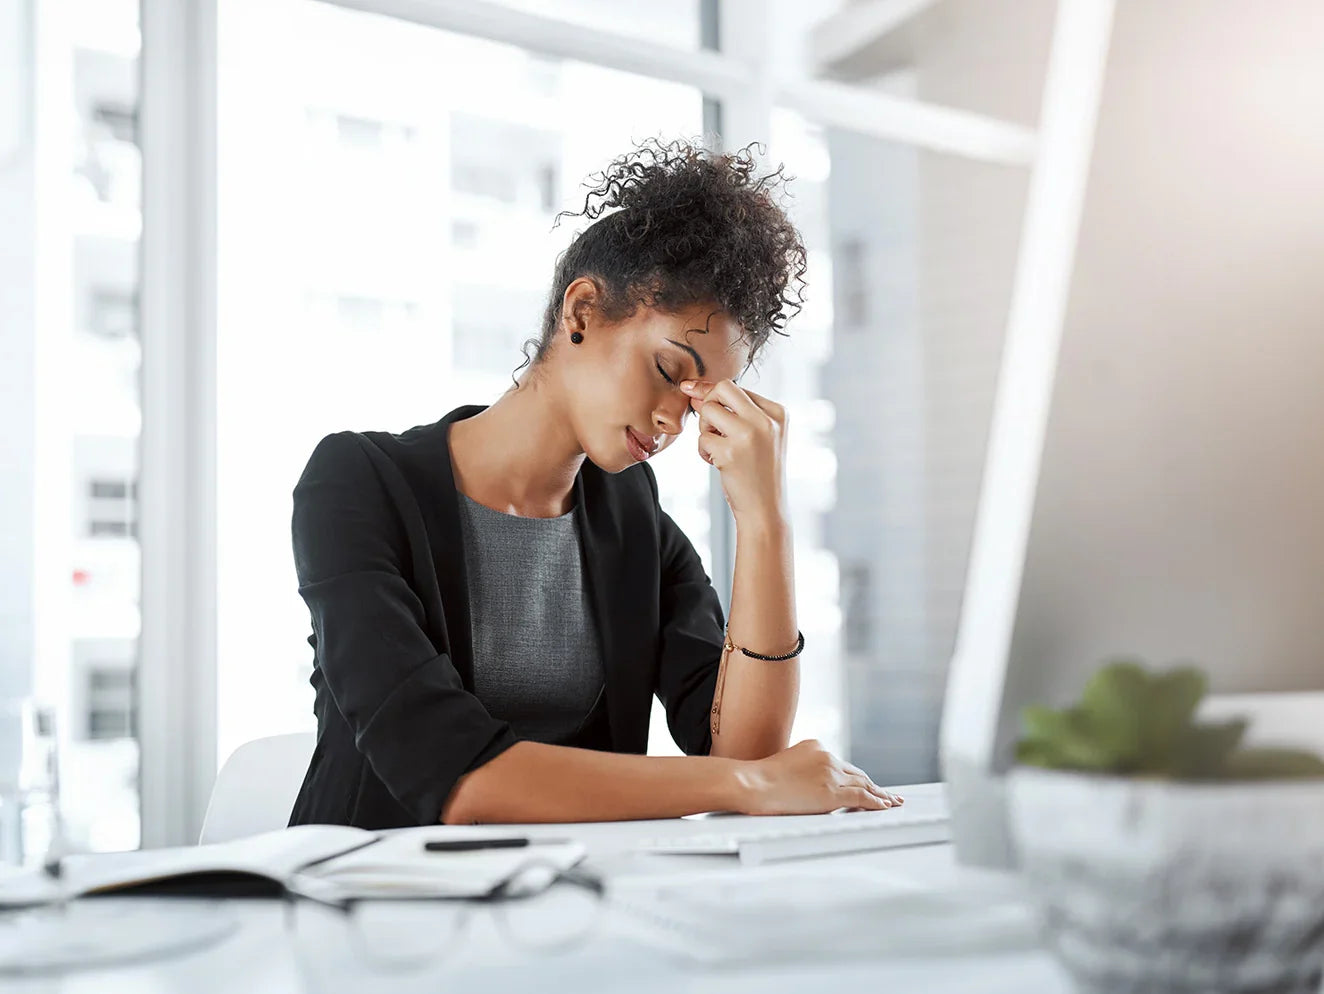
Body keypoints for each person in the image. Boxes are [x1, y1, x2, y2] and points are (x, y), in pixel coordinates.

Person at [287, 137, 903, 829]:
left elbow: (741, 747)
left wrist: (766, 522)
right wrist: (749, 786)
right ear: (581, 312)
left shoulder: (633, 520)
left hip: (565, 907)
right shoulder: (355, 484)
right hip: (361, 905)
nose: (674, 419)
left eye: (700, 399)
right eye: (671, 371)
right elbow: (456, 779)